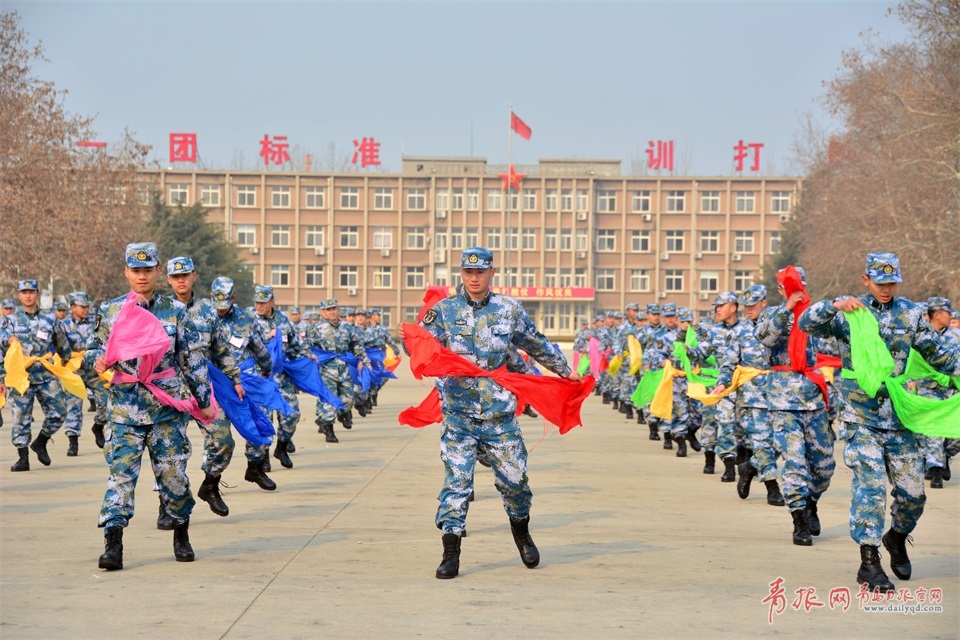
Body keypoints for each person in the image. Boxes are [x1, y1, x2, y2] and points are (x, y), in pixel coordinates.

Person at [399, 247, 581, 580]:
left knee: (515, 482)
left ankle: (521, 531)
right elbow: (421, 346)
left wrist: (564, 370)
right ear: (461, 274)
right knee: (457, 484)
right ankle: (451, 552)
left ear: (491, 273)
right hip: (458, 415)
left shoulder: (508, 309)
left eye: (480, 272)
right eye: (468, 272)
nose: (474, 278)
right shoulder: (443, 311)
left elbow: (534, 342)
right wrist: (410, 341)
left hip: (499, 416)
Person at [798, 252, 960, 592]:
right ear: (866, 280)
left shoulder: (912, 314)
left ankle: (896, 537)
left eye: (892, 282)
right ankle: (868, 563)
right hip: (861, 415)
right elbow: (805, 323)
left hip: (898, 417)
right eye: (880, 282)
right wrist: (833, 305)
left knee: (913, 495)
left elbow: (938, 355)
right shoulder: (849, 312)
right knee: (869, 487)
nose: (887, 288)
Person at [86, 243, 215, 570]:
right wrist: (97, 361)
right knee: (120, 479)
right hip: (125, 411)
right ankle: (113, 545)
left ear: (158, 271)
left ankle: (181, 533)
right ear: (126, 272)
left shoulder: (175, 311)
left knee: (173, 478)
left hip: (166, 411)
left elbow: (191, 359)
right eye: (135, 270)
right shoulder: (112, 311)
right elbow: (91, 349)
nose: (142, 276)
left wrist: (204, 402)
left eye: (148, 270)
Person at [754, 268, 832, 545]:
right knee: (794, 463)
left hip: (813, 398)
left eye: (802, 286)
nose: (799, 291)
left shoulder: (816, 316)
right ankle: (799, 519)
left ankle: (811, 502)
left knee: (824, 467)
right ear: (780, 290)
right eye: (791, 287)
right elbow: (764, 337)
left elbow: (835, 347)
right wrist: (787, 308)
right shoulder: (773, 315)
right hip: (783, 400)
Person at [165, 257, 243, 521]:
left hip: (202, 387)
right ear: (168, 280)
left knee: (223, 441)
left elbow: (221, 349)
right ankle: (166, 505)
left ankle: (210, 484)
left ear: (194, 276)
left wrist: (235, 379)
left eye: (185, 275)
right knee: (169, 452)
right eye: (175, 277)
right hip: (169, 390)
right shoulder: (158, 310)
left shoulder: (208, 311)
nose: (181, 280)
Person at [208, 277, 277, 496]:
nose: (220, 310)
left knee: (258, 422)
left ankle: (255, 468)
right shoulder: (202, 318)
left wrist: (267, 368)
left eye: (225, 304)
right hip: (215, 386)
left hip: (245, 382)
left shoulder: (246, 320)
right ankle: (212, 481)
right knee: (217, 436)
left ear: (234, 299)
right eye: (216, 304)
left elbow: (260, 349)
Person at [0, 279, 73, 471]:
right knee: (21, 417)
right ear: (19, 295)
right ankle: (23, 458)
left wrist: (66, 363)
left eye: (32, 292)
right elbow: (1, 343)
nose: (28, 295)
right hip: (21, 376)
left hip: (45, 373)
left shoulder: (49, 318)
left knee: (59, 412)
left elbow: (61, 341)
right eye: (24, 292)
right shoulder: (11, 320)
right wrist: (9, 339)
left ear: (38, 294)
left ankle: (41, 442)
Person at [249, 285, 314, 466]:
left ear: (272, 301)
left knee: (292, 414)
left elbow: (294, 345)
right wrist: (267, 338)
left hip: (281, 376)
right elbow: (241, 348)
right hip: (260, 378)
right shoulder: (249, 321)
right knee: (264, 419)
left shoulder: (283, 321)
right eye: (257, 302)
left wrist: (307, 355)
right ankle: (264, 457)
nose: (259, 306)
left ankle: (282, 447)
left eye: (263, 302)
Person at [309, 299, 369, 443]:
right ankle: (329, 430)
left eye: (334, 309)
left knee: (349, 399)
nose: (331, 312)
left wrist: (364, 361)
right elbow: (306, 345)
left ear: (338, 310)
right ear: (324, 311)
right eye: (328, 309)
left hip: (343, 368)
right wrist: (310, 356)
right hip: (326, 370)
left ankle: (332, 416)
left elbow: (356, 346)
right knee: (330, 401)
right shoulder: (317, 329)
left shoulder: (347, 327)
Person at [915, 297, 959, 489]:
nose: (951, 316)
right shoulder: (921, 336)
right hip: (928, 388)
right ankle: (935, 470)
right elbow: (914, 362)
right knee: (933, 428)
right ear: (938, 314)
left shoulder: (956, 336)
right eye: (948, 312)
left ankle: (945, 454)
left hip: (951, 388)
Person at [60, 292, 107, 456]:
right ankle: (73, 442)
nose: (86, 309)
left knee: (106, 400)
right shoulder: (63, 325)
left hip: (94, 371)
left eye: (87, 306)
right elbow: (59, 347)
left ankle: (99, 426)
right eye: (82, 307)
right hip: (74, 372)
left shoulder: (97, 321)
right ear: (73, 308)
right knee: (74, 406)